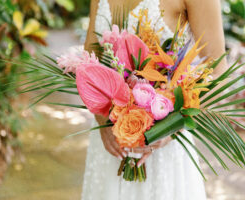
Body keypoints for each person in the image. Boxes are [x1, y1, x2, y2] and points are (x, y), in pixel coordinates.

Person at [82, 0, 227, 199]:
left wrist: (171, 126)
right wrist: (102, 119)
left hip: (163, 148)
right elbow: (89, 59)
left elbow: (217, 70)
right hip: (110, 141)